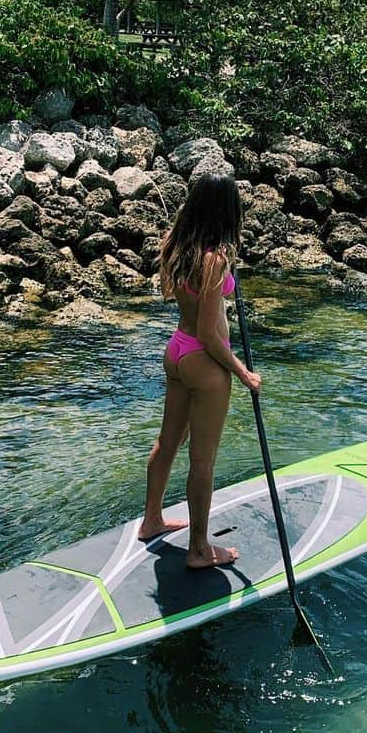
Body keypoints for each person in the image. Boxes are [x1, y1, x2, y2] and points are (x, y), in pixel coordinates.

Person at [139, 173, 262, 568]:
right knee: (202, 461)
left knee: (168, 442)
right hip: (204, 363)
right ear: (227, 212)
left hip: (176, 351)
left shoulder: (177, 246)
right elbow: (211, 335)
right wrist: (244, 373)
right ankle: (198, 549)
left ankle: (152, 520)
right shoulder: (213, 260)